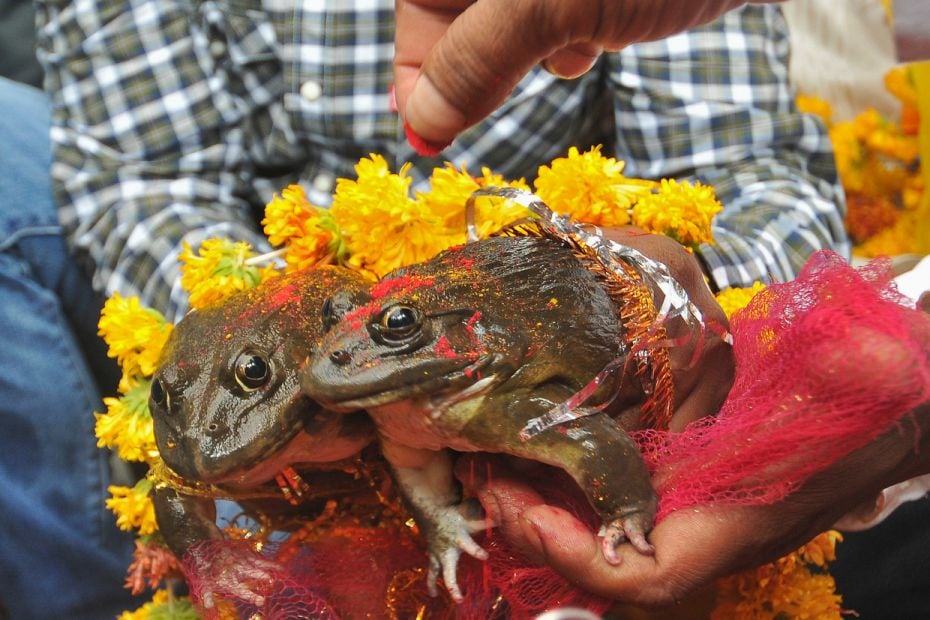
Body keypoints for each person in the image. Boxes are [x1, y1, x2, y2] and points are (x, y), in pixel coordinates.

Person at [7, 0, 894, 615]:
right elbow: (144, 182)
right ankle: (112, 596)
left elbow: (755, 183)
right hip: (274, 285)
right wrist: (267, 328)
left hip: (527, 278)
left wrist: (640, 292)